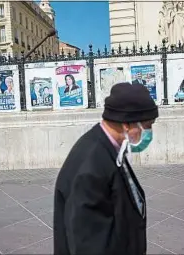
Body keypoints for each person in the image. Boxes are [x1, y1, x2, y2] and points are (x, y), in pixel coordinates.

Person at [54, 82, 159, 255]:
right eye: (147, 125)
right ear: (127, 124)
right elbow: (87, 244)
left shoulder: (110, 149)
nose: (149, 132)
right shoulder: (92, 164)